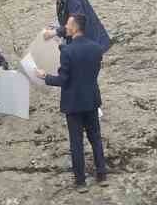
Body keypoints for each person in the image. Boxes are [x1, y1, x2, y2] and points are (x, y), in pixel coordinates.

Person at [35, 14, 108, 191]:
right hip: (91, 100)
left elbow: (63, 80)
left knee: (76, 142)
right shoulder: (96, 48)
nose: (65, 28)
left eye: (68, 25)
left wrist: (45, 77)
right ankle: (102, 174)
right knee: (95, 139)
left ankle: (81, 181)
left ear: (75, 28)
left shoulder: (67, 52)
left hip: (73, 103)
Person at [40, 0, 112, 53]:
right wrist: (56, 27)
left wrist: (55, 32)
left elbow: (76, 23)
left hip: (91, 41)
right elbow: (68, 16)